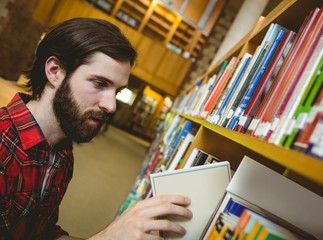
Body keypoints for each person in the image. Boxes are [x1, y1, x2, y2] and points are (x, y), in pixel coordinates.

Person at [0, 18, 192, 239]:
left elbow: (40, 233)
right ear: (54, 71)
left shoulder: (62, 153)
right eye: (99, 84)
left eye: (117, 92)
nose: (111, 107)